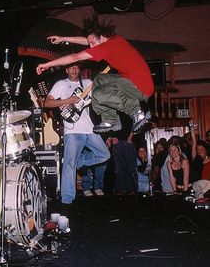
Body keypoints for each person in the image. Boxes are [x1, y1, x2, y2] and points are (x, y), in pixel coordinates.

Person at [36, 13, 154, 134]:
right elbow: (87, 40)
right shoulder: (113, 39)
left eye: (92, 44)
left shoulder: (106, 48)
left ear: (101, 38)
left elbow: (75, 57)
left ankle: (137, 113)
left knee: (98, 94)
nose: (91, 47)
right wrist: (63, 38)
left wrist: (47, 64)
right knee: (98, 80)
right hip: (135, 81)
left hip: (139, 87)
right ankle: (110, 120)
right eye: (90, 44)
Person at [44, 64, 110, 214]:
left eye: (76, 68)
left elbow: (99, 99)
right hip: (72, 131)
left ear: (79, 70)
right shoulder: (61, 84)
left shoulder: (87, 83)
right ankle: (67, 201)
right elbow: (48, 102)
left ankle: (80, 162)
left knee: (105, 155)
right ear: (66, 70)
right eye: (71, 68)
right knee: (68, 165)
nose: (74, 70)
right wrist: (67, 100)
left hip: (90, 129)